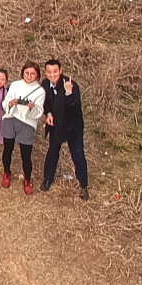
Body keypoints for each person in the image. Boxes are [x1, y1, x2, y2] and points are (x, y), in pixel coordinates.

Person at [39, 59, 89, 201]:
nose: (52, 74)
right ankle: (48, 179)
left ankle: (84, 185)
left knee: (78, 155)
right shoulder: (45, 84)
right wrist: (48, 114)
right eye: (49, 72)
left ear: (60, 71)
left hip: (73, 127)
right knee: (52, 152)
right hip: (56, 126)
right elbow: (46, 103)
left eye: (55, 71)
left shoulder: (71, 85)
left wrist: (68, 94)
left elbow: (74, 106)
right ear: (46, 72)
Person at [1, 63, 46, 193]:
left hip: (26, 123)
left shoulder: (40, 91)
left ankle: (27, 179)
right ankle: (6, 172)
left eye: (32, 74)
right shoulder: (15, 85)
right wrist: (11, 103)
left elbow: (39, 110)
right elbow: (6, 102)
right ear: (22, 73)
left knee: (26, 155)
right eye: (27, 73)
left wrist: (32, 107)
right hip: (11, 119)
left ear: (37, 75)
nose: (29, 76)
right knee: (7, 150)